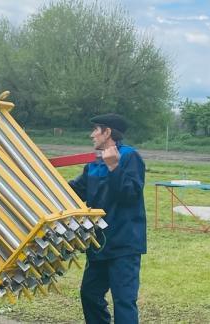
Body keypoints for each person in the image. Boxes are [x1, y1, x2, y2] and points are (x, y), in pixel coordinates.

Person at [69, 113, 147, 324]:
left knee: (124, 301)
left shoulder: (129, 156)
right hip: (99, 243)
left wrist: (114, 167)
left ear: (108, 132)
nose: (91, 134)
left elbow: (131, 194)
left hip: (124, 243)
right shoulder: (94, 163)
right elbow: (77, 191)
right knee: (90, 294)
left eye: (96, 129)